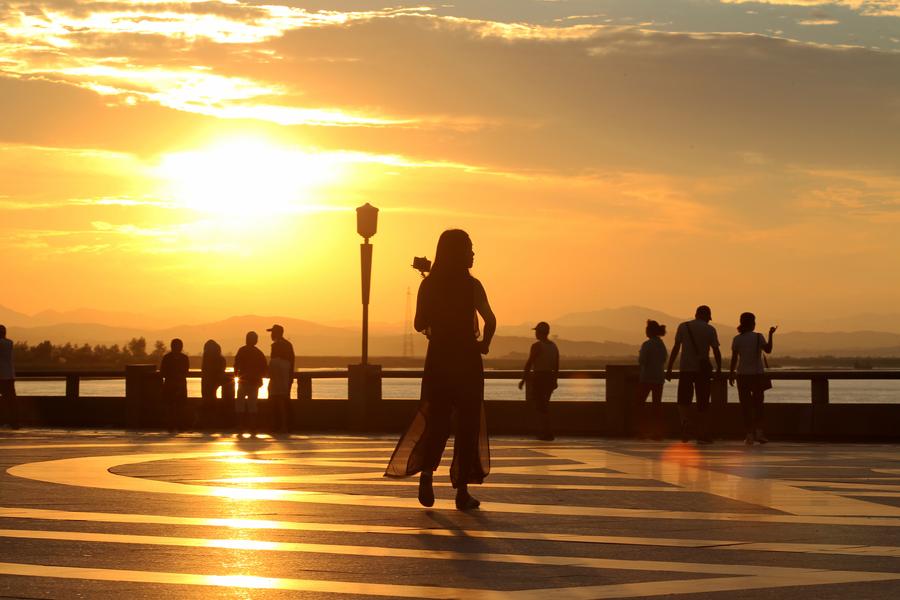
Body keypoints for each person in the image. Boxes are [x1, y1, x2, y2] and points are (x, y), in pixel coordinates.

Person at [385, 229, 496, 510]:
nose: (473, 254)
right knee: (468, 423)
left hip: (439, 358)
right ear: (458, 252)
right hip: (468, 359)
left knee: (438, 420)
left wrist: (436, 328)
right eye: (469, 248)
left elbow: (419, 323)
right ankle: (461, 490)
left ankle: (426, 474)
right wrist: (484, 344)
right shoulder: (473, 286)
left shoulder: (429, 285)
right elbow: (491, 320)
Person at [666, 306, 721, 443]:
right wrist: (719, 368)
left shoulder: (683, 327)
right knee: (703, 402)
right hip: (702, 371)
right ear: (707, 316)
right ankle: (702, 433)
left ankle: (685, 423)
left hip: (685, 370)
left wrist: (670, 367)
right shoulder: (710, 329)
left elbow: (676, 348)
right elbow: (715, 350)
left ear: (696, 314)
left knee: (683, 400)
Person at [729, 313, 777, 445]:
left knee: (746, 406)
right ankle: (759, 433)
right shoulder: (758, 336)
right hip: (757, 375)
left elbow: (734, 358)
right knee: (758, 405)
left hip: (742, 375)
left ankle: (749, 434)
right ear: (753, 323)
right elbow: (768, 350)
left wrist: (731, 373)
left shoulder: (737, 339)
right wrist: (771, 334)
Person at [518, 321, 559, 441]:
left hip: (540, 377)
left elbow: (529, 363)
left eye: (536, 331)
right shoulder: (553, 346)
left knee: (540, 406)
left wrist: (523, 379)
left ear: (540, 333)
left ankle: (545, 432)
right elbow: (556, 366)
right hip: (550, 378)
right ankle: (546, 431)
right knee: (545, 405)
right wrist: (555, 380)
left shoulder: (537, 346)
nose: (535, 333)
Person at [637, 319, 668, 440]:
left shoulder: (647, 344)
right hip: (659, 377)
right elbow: (663, 359)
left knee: (640, 404)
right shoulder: (661, 344)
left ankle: (642, 431)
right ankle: (657, 432)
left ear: (650, 331)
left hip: (647, 378)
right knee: (657, 405)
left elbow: (642, 361)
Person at [234, 331, 267, 435]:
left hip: (243, 382)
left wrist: (236, 376)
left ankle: (240, 425)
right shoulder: (259, 353)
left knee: (240, 403)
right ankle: (252, 426)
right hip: (254, 382)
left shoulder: (242, 350)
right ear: (255, 341)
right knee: (253, 404)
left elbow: (236, 365)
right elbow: (264, 368)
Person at [267, 324, 295, 433]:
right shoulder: (288, 345)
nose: (271, 335)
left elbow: (274, 363)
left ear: (276, 333)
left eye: (272, 333)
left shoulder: (276, 346)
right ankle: (284, 425)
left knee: (279, 400)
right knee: (283, 400)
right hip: (285, 377)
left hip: (279, 378)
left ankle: (280, 425)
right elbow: (291, 362)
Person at [160, 338, 190, 432]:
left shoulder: (183, 358)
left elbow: (186, 371)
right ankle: (171, 425)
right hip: (171, 385)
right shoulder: (167, 358)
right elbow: (163, 371)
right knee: (170, 407)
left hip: (179, 385)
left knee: (181, 406)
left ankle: (180, 425)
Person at [200, 339, 226, 430]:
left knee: (208, 402)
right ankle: (211, 423)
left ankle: (207, 423)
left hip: (209, 383)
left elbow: (205, 371)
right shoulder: (220, 359)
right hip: (211, 383)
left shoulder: (207, 359)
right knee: (210, 403)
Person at [0, 325, 19, 429]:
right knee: (11, 401)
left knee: (8, 401)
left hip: (1, 376)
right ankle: (14, 422)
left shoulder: (2, 343)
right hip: (9, 375)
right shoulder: (9, 343)